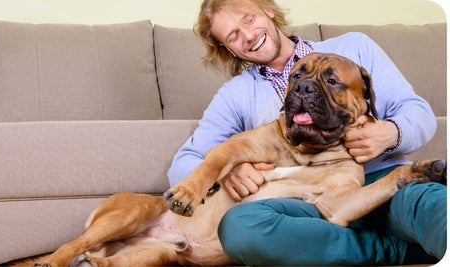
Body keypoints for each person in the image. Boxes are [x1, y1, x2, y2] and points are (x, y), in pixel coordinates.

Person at [167, 0, 446, 265]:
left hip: (383, 178)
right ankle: (392, 250)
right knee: (240, 227)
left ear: (268, 10)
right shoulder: (235, 94)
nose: (249, 35)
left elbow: (416, 110)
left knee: (435, 205)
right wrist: (227, 172)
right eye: (233, 36)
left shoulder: (354, 47)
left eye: (249, 18)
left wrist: (390, 132)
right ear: (227, 48)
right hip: (308, 207)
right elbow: (185, 161)